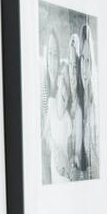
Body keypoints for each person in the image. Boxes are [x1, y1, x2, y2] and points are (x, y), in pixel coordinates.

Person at [46, 64, 74, 183]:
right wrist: (54, 147)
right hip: (55, 162)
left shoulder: (69, 115)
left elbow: (71, 148)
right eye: (61, 75)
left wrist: (68, 166)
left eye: (65, 77)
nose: (62, 80)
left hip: (65, 168)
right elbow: (46, 133)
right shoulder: (51, 103)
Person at [40, 26, 60, 183]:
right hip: (47, 152)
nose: (53, 59)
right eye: (50, 54)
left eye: (56, 54)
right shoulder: (42, 87)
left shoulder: (63, 84)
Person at [80, 23, 99, 178]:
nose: (84, 68)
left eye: (88, 61)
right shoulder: (80, 99)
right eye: (83, 59)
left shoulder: (95, 105)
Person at [67, 32, 86, 178]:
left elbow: (78, 153)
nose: (72, 72)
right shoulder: (64, 96)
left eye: (75, 67)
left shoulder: (80, 106)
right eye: (70, 65)